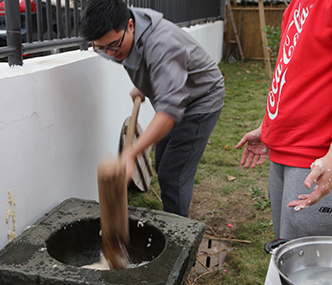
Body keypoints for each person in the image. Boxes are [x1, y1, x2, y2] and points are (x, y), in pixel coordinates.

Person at [236, 0, 332, 240]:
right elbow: (293, 70)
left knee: (312, 262)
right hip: (286, 148)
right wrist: (268, 127)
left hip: (319, 156)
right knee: (287, 247)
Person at [81, 0, 225, 217]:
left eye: (114, 45)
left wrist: (131, 153)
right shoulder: (122, 29)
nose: (110, 53)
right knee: (162, 161)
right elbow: (144, 60)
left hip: (200, 99)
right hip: (176, 94)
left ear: (130, 25)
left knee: (172, 174)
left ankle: (179, 234)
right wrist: (142, 84)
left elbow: (169, 111)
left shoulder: (162, 43)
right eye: (101, 48)